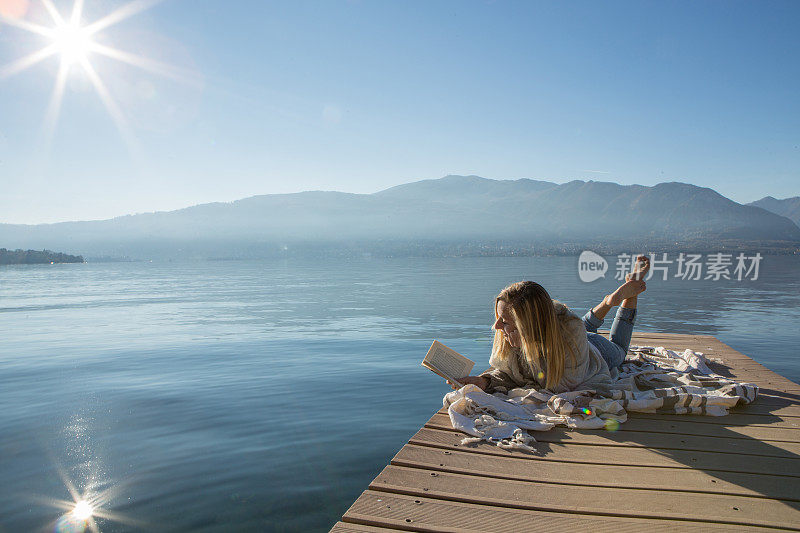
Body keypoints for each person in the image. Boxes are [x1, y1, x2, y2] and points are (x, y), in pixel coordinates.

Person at [450, 255, 650, 394]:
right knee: (580, 327)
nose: (496, 327)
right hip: (566, 334)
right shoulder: (529, 333)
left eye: (505, 321)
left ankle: (632, 291)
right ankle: (607, 302)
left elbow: (563, 386)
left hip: (593, 350)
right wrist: (484, 381)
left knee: (620, 350)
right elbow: (507, 373)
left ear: (528, 326)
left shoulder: (570, 342)